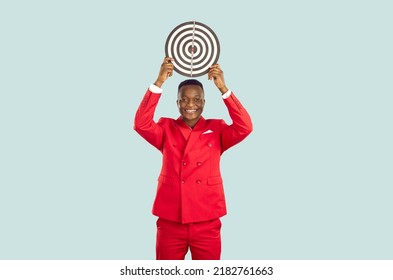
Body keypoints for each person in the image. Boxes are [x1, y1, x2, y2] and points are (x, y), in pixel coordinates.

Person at [134, 57, 253, 260]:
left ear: (204, 102)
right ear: (178, 102)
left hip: (206, 219)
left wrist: (223, 89)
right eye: (185, 99)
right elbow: (141, 124)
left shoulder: (217, 129)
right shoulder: (165, 128)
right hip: (171, 219)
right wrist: (159, 82)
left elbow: (245, 127)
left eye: (197, 99)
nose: (191, 104)